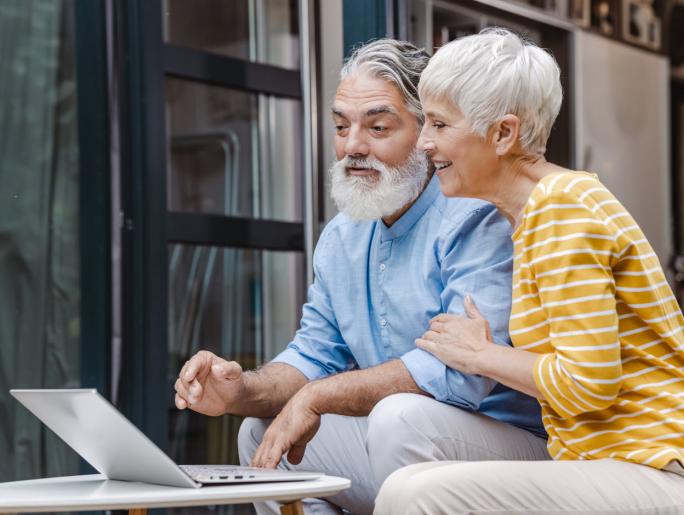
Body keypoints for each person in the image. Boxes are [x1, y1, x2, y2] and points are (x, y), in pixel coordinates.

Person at [374, 28, 684, 515]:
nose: (424, 143)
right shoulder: (531, 213)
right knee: (409, 459)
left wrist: (481, 354)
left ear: (503, 134)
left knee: (412, 494)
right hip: (617, 464)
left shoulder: (562, 210)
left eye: (439, 125)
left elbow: (587, 383)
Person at [173, 39, 547, 515]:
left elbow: (459, 376)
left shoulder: (476, 218)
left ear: (426, 134)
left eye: (378, 127)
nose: (353, 146)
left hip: (513, 455)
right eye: (341, 126)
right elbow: (314, 355)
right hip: (407, 444)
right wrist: (239, 390)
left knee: (400, 418)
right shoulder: (342, 238)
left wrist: (318, 396)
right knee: (261, 431)